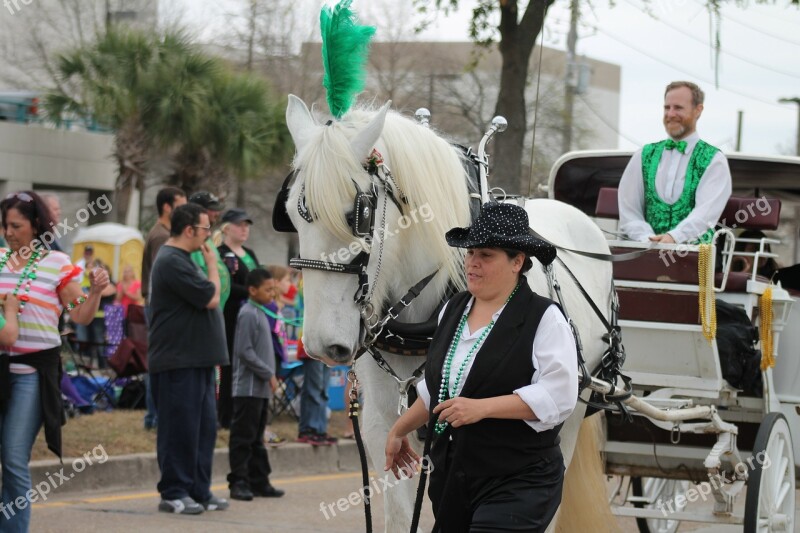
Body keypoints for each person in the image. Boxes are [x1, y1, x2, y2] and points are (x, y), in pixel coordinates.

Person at [384, 202, 577, 533]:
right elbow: (437, 388)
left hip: (521, 479)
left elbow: (558, 396)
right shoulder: (452, 310)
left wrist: (482, 408)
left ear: (517, 261)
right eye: (470, 252)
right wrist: (398, 430)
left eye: (486, 254)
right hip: (453, 479)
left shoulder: (545, 318)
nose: (472, 262)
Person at [0, 191, 109, 532]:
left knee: (14, 457)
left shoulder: (57, 263)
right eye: (4, 225)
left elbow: (80, 316)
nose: (8, 232)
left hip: (32, 372)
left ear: (35, 226)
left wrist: (94, 292)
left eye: (16, 225)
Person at [148, 203, 229, 515]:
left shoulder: (182, 259)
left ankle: (199, 489)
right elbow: (210, 297)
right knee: (179, 429)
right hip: (177, 361)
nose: (209, 235)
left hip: (198, 360)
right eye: (206, 228)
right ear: (189, 230)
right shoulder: (171, 260)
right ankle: (173, 491)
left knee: (203, 429)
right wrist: (212, 267)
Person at [618, 81, 732, 244]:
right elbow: (629, 210)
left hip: (696, 259)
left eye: (678, 108)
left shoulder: (714, 160)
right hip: (645, 253)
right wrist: (647, 239)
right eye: (667, 107)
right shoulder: (643, 155)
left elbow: (705, 213)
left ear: (698, 110)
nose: (671, 114)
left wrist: (674, 237)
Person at [227, 268, 286, 501]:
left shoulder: (262, 311)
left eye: (273, 289)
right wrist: (268, 373)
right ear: (252, 290)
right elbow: (244, 351)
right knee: (243, 437)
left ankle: (259, 481)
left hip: (260, 389)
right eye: (267, 289)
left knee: (257, 438)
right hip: (248, 388)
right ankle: (238, 482)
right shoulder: (248, 313)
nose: (272, 293)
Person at [141, 186, 186, 431]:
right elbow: (163, 277)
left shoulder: (167, 233)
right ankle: (154, 417)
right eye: (181, 205)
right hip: (159, 307)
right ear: (167, 207)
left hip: (160, 307)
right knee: (159, 362)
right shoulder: (161, 236)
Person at [217, 208, 259, 430]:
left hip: (253, 320)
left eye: (247, 225)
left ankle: (246, 413)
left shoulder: (249, 253)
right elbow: (225, 286)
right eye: (239, 224)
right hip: (231, 318)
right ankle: (226, 415)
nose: (245, 229)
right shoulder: (220, 253)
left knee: (249, 366)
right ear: (226, 228)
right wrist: (251, 292)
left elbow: (260, 279)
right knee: (230, 366)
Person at [188, 191, 231, 310]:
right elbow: (199, 277)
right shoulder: (195, 242)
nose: (217, 213)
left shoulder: (207, 240)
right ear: (199, 212)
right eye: (212, 209)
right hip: (203, 312)